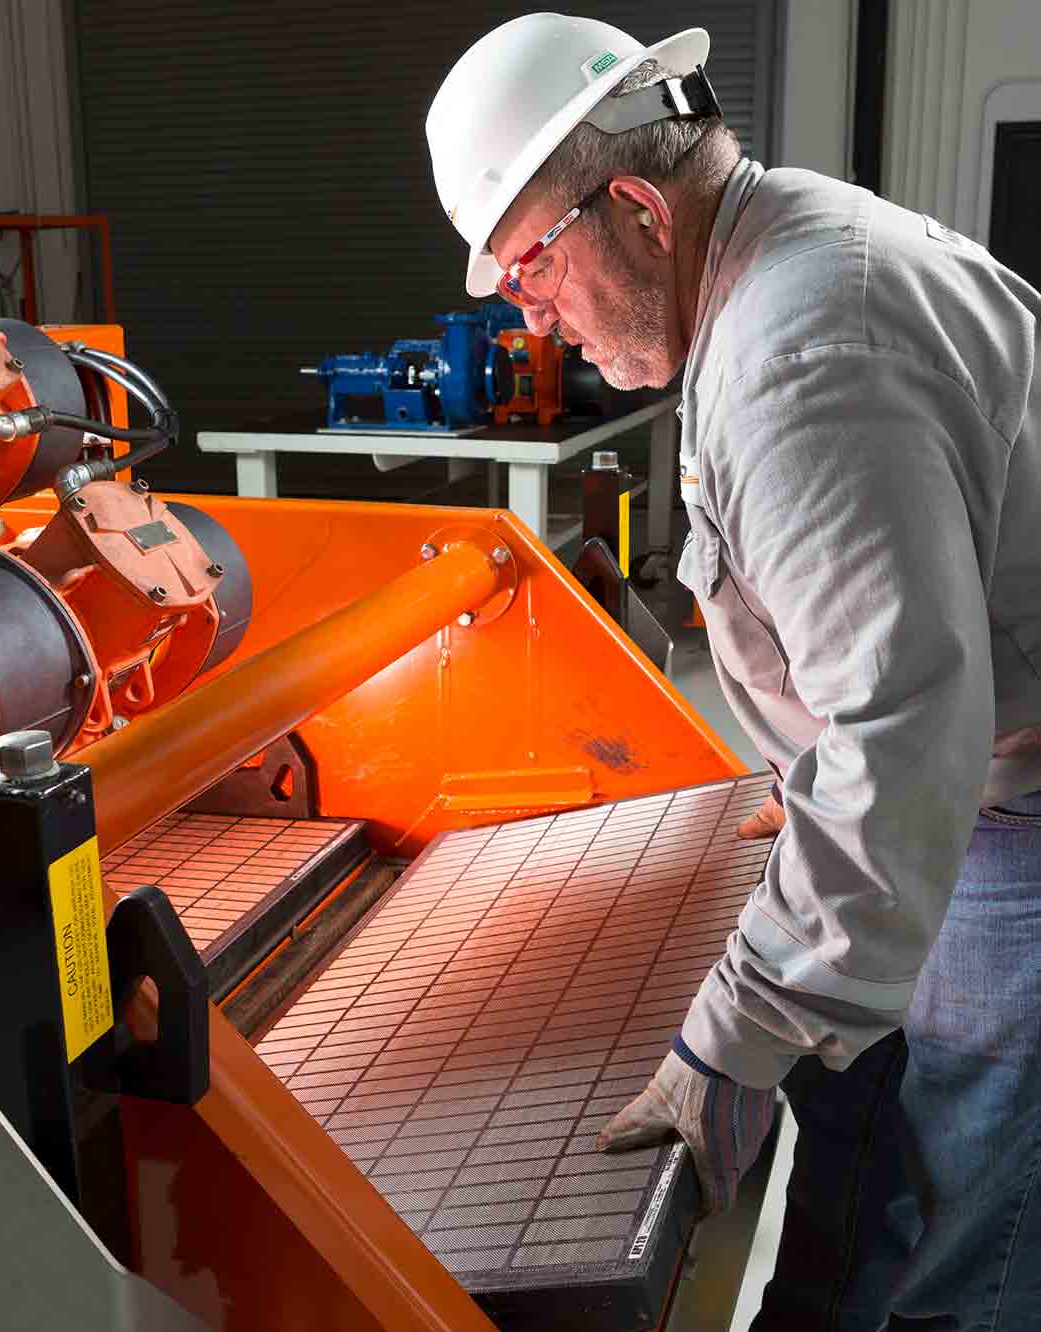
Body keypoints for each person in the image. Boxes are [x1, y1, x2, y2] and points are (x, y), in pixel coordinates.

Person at [426, 14, 1041, 1331]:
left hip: (1013, 816)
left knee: (971, 1239)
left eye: (531, 266)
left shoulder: (801, 355)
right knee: (870, 1150)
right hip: (985, 779)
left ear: (638, 208)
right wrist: (799, 775)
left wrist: (730, 1043)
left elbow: (902, 740)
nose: (532, 320)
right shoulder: (777, 252)